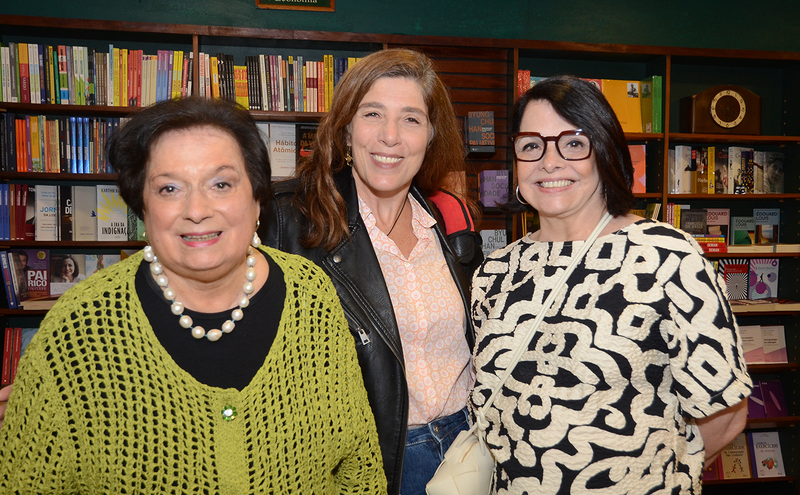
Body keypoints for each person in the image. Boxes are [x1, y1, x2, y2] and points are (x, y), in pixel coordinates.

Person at [0, 97, 386, 494]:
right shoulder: (76, 330)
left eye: (221, 184)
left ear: (256, 198)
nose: (197, 209)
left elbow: (359, 468)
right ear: (142, 206)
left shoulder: (313, 297)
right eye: (169, 188)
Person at [470, 75, 751, 495]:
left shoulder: (668, 258)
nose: (549, 161)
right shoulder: (495, 271)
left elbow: (725, 414)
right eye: (531, 145)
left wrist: (652, 477)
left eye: (573, 143)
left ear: (604, 152)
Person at [261, 48, 482, 495]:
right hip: (370, 463)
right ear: (345, 128)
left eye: (411, 119)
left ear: (431, 135)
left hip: (468, 451)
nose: (390, 136)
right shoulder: (286, 217)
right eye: (372, 114)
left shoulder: (448, 218)